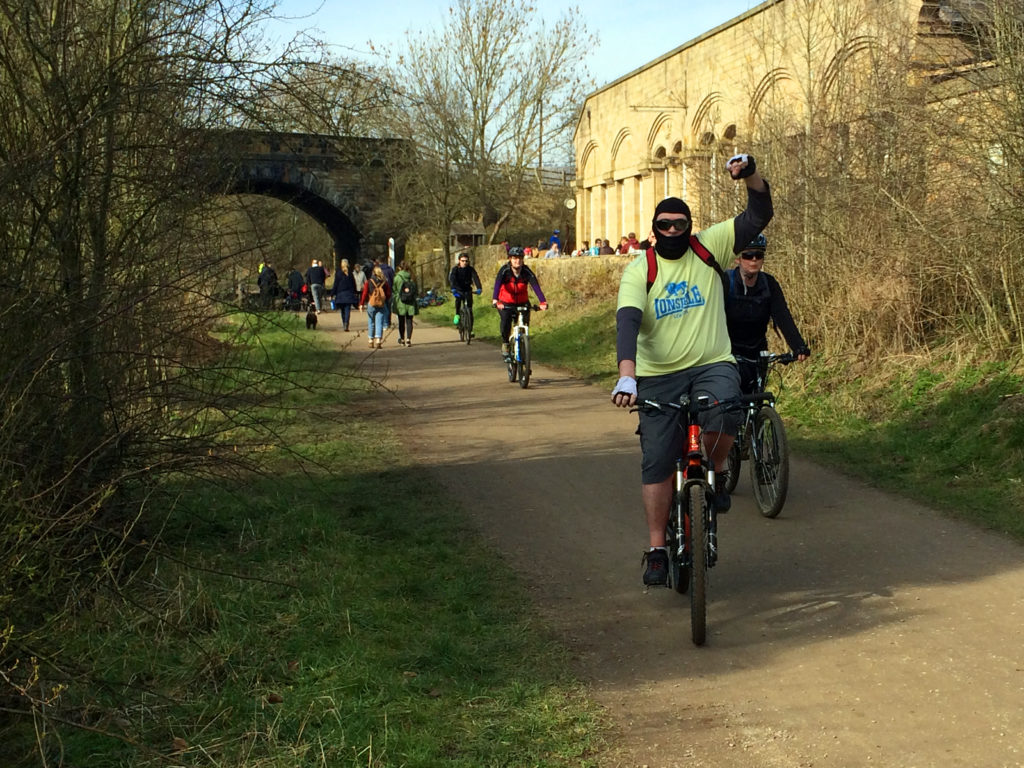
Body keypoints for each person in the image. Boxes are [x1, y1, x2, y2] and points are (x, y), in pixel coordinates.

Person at [610, 153, 772, 587]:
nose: (672, 232)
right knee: (658, 460)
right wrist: (628, 373)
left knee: (726, 408)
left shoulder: (709, 247)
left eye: (680, 225)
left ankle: (713, 474)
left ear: (689, 225)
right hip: (658, 374)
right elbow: (627, 322)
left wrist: (750, 173)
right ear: (654, 229)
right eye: (664, 226)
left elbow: (760, 213)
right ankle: (659, 547)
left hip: (711, 363)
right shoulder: (639, 270)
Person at [725, 233, 810, 392]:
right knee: (732, 403)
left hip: (757, 351)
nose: (754, 259)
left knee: (757, 400)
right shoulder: (726, 282)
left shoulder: (769, 284)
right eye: (748, 255)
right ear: (738, 259)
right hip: (728, 353)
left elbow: (782, 315)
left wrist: (798, 346)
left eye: (758, 255)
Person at [492, 247, 548, 357]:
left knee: (525, 322)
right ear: (510, 259)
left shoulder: (526, 271)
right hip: (506, 302)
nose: (517, 261)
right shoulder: (504, 271)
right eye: (514, 258)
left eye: (520, 258)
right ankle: (506, 343)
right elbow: (497, 284)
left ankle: (523, 344)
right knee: (506, 322)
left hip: (522, 302)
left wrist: (543, 302)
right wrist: (496, 300)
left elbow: (535, 286)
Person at [359, 265, 392, 349]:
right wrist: (383, 300)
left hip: (371, 303)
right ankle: (378, 340)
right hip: (381, 304)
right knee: (379, 322)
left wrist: (361, 304)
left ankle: (370, 340)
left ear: (373, 273)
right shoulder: (384, 282)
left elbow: (365, 293)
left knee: (371, 321)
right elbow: (388, 294)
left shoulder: (369, 281)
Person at [448, 251, 482, 331]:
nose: (464, 262)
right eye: (463, 261)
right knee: (458, 301)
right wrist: (453, 288)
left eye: (466, 261)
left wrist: (479, 288)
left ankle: (470, 329)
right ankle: (457, 314)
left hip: (467, 290)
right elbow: (452, 279)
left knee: (470, 310)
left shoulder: (470, 269)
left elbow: (475, 278)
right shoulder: (455, 269)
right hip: (458, 290)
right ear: (459, 261)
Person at [391, 261, 419, 346]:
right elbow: (415, 290)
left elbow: (394, 289)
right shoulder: (412, 277)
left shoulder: (397, 277)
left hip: (401, 302)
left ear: (399, 268)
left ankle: (402, 339)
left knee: (401, 321)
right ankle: (408, 339)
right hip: (410, 302)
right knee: (409, 321)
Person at [332, 258, 359, 332]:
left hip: (340, 294)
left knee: (342, 311)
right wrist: (355, 292)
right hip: (349, 294)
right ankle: (346, 324)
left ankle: (344, 322)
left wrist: (332, 293)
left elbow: (335, 284)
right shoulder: (350, 274)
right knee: (347, 310)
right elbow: (354, 284)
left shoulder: (338, 274)